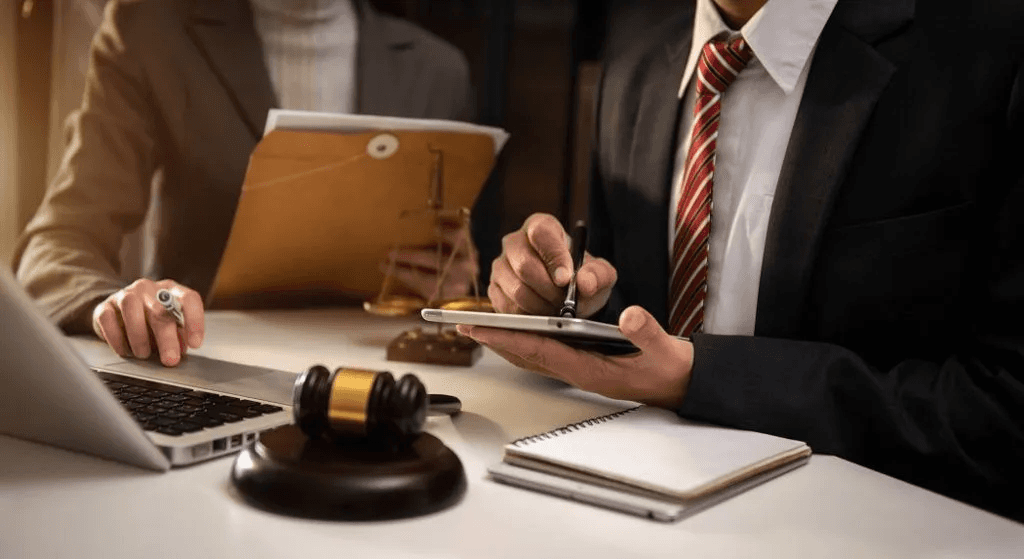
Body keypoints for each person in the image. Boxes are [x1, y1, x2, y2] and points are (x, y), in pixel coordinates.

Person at [462, 0, 1024, 521]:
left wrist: (704, 377)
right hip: (622, 506)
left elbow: (1005, 410)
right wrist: (562, 300)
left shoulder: (988, 49)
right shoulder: (637, 58)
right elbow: (628, 310)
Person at [13, 0, 483, 367]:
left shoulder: (440, 73)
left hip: (385, 372)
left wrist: (454, 287)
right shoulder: (150, 32)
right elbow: (59, 240)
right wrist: (111, 304)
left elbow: (450, 260)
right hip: (202, 363)